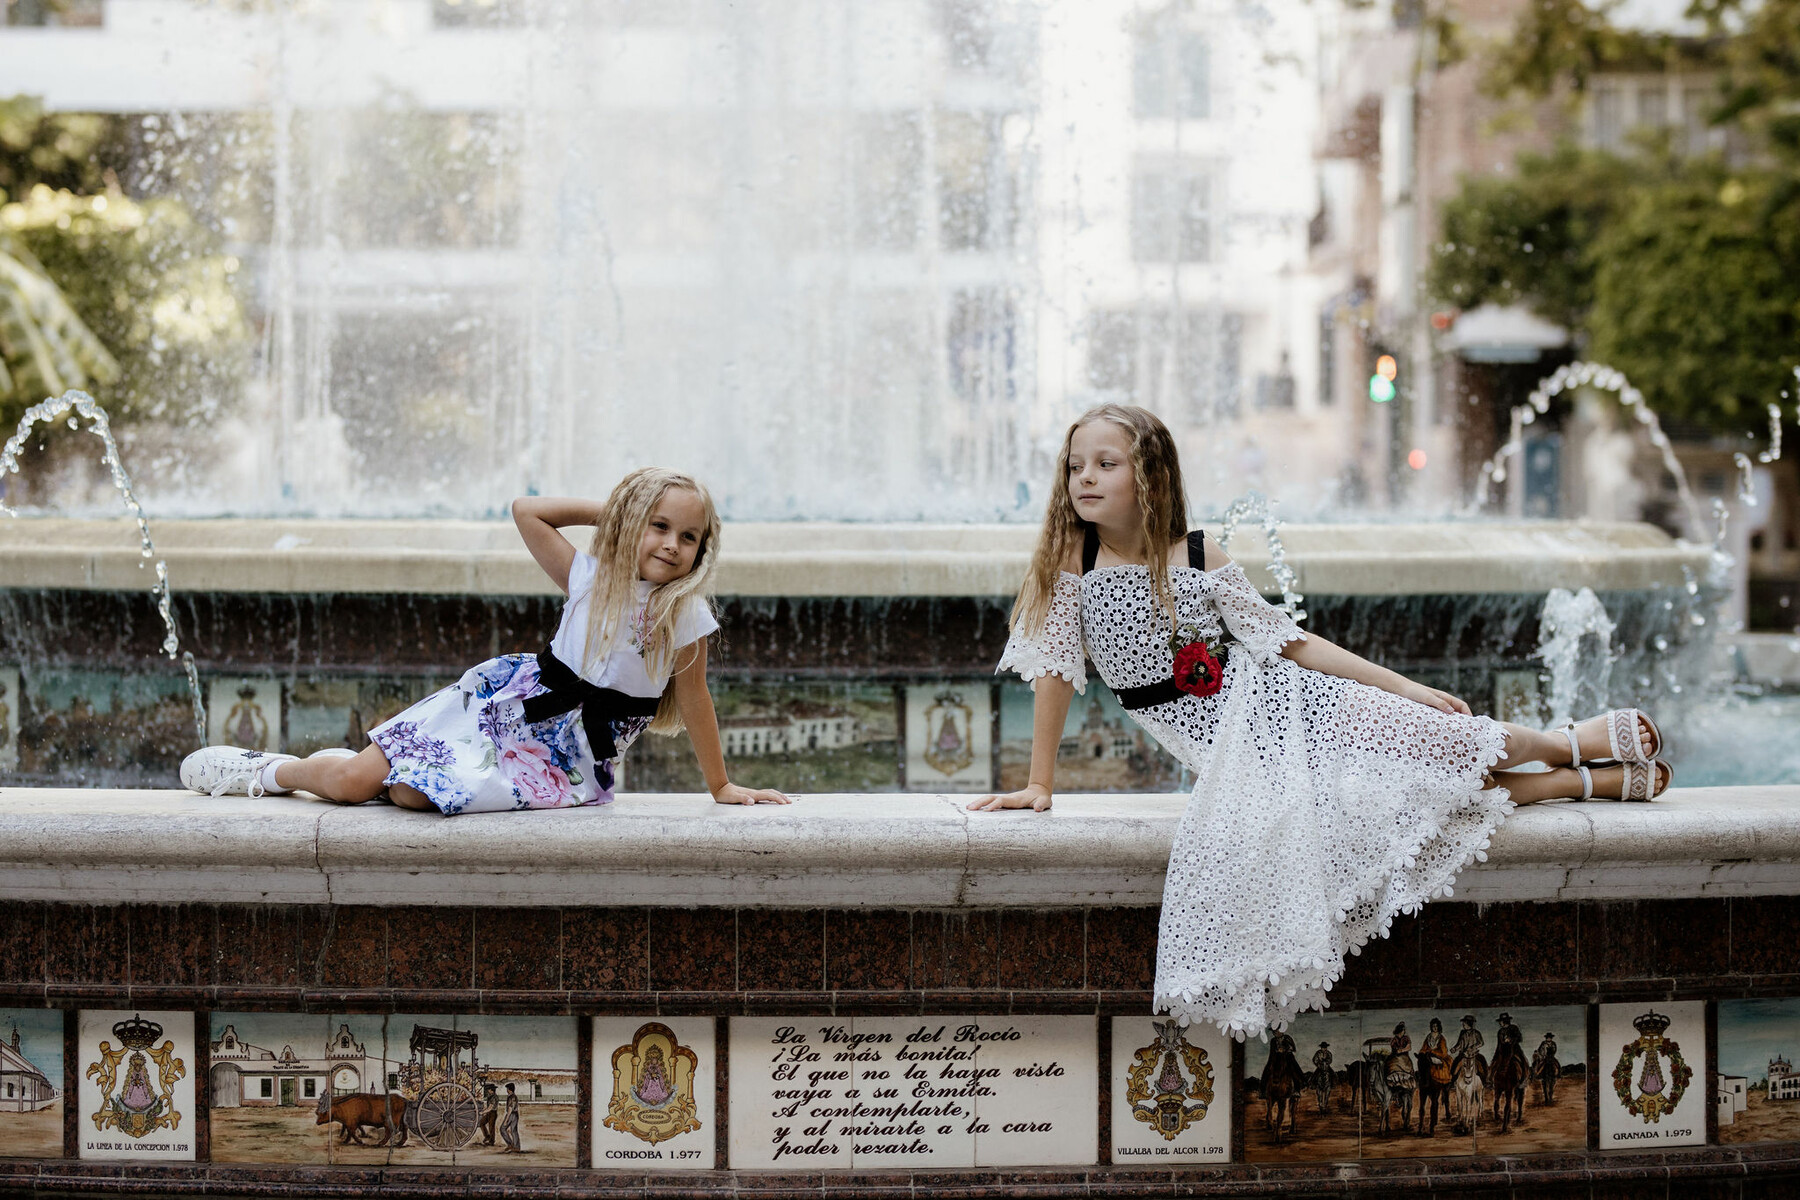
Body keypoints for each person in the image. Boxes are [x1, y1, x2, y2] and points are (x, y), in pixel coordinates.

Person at [973, 404, 1669, 1036]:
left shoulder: (1197, 554)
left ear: (1149, 474)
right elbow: (1057, 673)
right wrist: (1041, 783)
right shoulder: (1073, 561)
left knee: (1453, 741)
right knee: (1382, 803)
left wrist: (1405, 686)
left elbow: (1287, 641)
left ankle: (1565, 741)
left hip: (1288, 697)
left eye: (1105, 463)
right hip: (1228, 746)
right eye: (1074, 466)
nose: (1084, 478)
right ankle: (1575, 785)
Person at [178, 468, 791, 813]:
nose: (671, 545)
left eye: (688, 537)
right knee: (356, 784)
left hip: (566, 757)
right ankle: (269, 769)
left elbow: (696, 701)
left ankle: (342, 771)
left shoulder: (684, 615)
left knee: (411, 797)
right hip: (505, 706)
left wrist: (721, 785)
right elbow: (527, 510)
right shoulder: (589, 578)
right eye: (658, 526)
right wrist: (616, 512)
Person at [1532, 1031, 1560, 1104]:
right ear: (1546, 1038)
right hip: (1545, 1057)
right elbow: (1540, 1051)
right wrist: (1541, 1055)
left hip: (1551, 1057)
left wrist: (1551, 1053)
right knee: (1540, 1065)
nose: (1549, 1039)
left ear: (1551, 1038)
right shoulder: (1543, 1044)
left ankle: (1559, 1073)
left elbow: (1555, 1050)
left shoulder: (1553, 1044)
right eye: (1548, 1038)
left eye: (1550, 1038)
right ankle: (1538, 1074)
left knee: (1557, 1064)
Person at [499, 1082, 521, 1153]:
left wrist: (506, 1119)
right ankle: (516, 1146)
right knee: (514, 1130)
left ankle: (510, 1144)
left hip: (511, 1114)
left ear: (509, 1089)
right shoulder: (514, 1096)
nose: (506, 1090)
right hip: (515, 1114)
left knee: (502, 1128)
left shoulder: (511, 1097)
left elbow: (510, 1108)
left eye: (507, 1089)